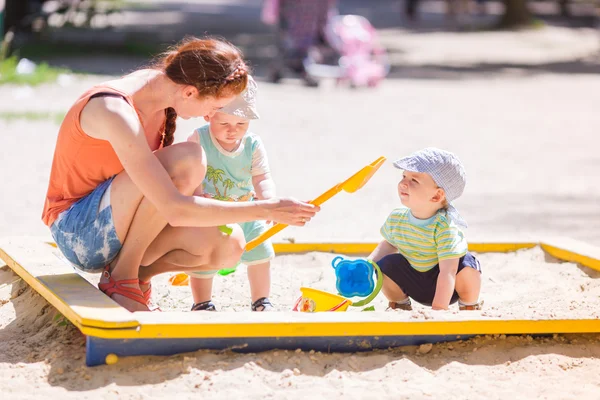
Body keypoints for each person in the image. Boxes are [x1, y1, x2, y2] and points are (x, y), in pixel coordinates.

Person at [42, 37, 319, 312]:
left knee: (230, 245)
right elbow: (173, 208)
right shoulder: (114, 110)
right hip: (79, 234)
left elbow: (166, 203)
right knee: (189, 159)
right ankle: (122, 277)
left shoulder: (163, 90)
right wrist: (264, 209)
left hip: (117, 225)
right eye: (214, 108)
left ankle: (136, 274)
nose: (209, 116)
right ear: (189, 93)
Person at [185, 75, 276, 312]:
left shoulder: (253, 144)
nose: (232, 131)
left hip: (246, 209)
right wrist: (196, 193)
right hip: (212, 214)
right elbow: (189, 170)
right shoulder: (199, 138)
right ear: (209, 115)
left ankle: (261, 300)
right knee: (204, 259)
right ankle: (202, 302)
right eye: (224, 124)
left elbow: (261, 177)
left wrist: (268, 200)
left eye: (241, 125)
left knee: (261, 253)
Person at [368, 148, 482, 311]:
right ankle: (399, 303)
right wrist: (368, 264)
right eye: (404, 176)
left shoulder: (444, 228)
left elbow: (448, 272)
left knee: (468, 265)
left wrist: (438, 309)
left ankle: (468, 304)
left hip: (446, 286)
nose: (403, 183)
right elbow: (388, 245)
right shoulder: (397, 218)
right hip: (415, 280)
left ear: (436, 196)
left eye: (414, 180)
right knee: (385, 264)